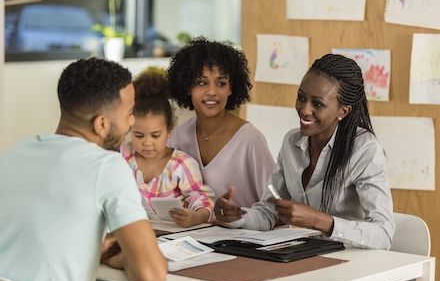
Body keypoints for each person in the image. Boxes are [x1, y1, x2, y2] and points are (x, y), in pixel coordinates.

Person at [0, 57, 167, 281]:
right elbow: (152, 278)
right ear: (101, 124)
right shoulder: (106, 166)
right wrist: (129, 258)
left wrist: (93, 252)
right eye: (129, 113)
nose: (132, 122)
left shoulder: (14, 154)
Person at [215, 54, 395, 250]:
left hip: (351, 260)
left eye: (317, 104)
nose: (304, 110)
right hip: (306, 256)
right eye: (301, 98)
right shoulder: (291, 143)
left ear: (343, 111)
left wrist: (319, 220)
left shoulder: (365, 150)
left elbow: (383, 235)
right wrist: (238, 216)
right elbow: (267, 214)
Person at [167, 36, 275, 208]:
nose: (212, 91)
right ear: (187, 87)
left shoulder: (250, 140)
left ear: (231, 88)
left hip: (243, 234)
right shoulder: (176, 137)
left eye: (221, 83)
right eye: (202, 83)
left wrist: (241, 218)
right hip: (190, 234)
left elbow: (278, 210)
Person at [120, 70, 215, 227]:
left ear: (169, 130)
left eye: (155, 135)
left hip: (174, 236)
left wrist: (197, 217)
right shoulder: (124, 155)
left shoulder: (181, 165)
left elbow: (202, 199)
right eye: (138, 135)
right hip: (134, 232)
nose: (147, 143)